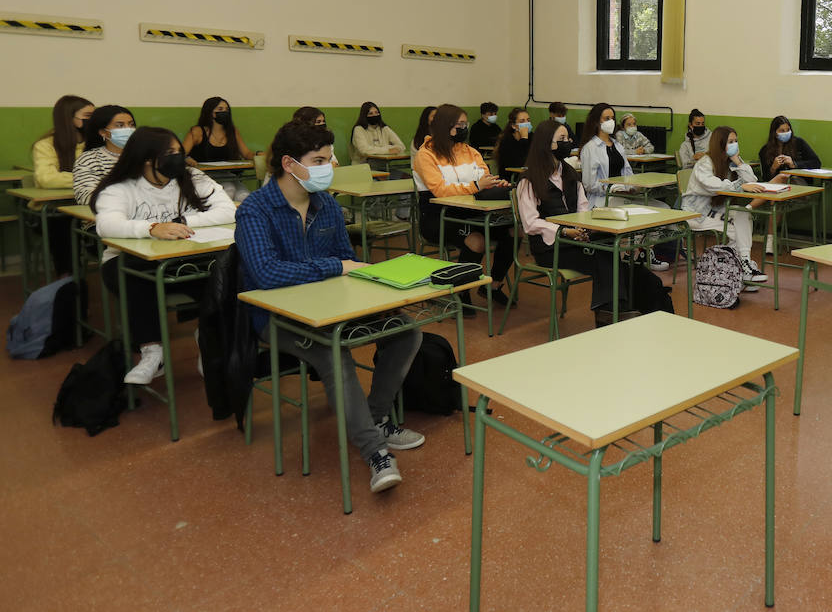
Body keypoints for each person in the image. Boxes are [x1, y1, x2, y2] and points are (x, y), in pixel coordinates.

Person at [235, 121, 423, 494]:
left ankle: (374, 418)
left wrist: (375, 297)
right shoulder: (256, 209)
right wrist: (334, 268)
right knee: (332, 352)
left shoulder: (328, 206)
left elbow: (347, 260)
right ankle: (375, 451)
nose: (328, 167)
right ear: (289, 163)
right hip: (276, 318)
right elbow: (267, 273)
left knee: (406, 330)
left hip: (331, 308)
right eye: (319, 160)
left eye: (328, 158)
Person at [91, 127, 236, 384]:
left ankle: (208, 340)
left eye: (179, 151)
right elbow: (107, 225)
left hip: (184, 256)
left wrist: (184, 220)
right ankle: (152, 352)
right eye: (170, 153)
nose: (179, 158)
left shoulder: (191, 176)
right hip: (129, 260)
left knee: (221, 274)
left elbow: (228, 210)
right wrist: (151, 228)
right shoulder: (121, 187)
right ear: (147, 158)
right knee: (136, 279)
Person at [516, 119, 638, 324]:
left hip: (576, 239)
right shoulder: (529, 180)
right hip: (550, 248)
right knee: (604, 258)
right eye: (561, 139)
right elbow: (530, 223)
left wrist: (584, 228)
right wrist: (563, 231)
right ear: (546, 144)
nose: (567, 142)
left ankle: (611, 311)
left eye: (568, 138)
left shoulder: (570, 174)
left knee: (610, 248)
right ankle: (609, 312)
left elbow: (583, 208)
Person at [412, 104, 515, 303]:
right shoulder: (426, 154)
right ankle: (461, 292)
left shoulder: (470, 152)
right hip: (438, 216)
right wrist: (476, 185)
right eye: (459, 125)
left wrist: (494, 183)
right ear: (443, 126)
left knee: (514, 231)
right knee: (476, 241)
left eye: (465, 124)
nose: (464, 129)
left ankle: (493, 285)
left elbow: (484, 177)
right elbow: (440, 190)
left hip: (471, 213)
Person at [579, 103, 672, 271]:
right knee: (634, 216)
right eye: (606, 118)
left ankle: (641, 252)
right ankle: (634, 253)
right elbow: (589, 184)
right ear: (596, 122)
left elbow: (627, 173)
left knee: (663, 208)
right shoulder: (590, 148)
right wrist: (612, 188)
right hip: (602, 201)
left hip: (624, 196)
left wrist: (632, 186)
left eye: (612, 118)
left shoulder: (617, 145)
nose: (611, 122)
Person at [682, 126, 776, 288]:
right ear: (720, 143)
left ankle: (740, 266)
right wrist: (741, 187)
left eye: (736, 141)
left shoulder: (730, 162)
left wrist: (738, 162)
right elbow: (715, 186)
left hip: (716, 211)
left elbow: (751, 179)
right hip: (697, 214)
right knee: (737, 231)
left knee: (743, 214)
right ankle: (740, 268)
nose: (735, 145)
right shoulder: (705, 163)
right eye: (730, 142)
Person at [74, 105, 137, 205]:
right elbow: (86, 197)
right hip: (108, 215)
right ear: (103, 132)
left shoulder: (143, 156)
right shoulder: (90, 159)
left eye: (131, 125)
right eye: (120, 125)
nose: (128, 129)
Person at [33, 94, 93, 189]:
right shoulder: (45, 145)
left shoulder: (95, 141)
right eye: (88, 116)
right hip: (55, 201)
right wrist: (90, 178)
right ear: (68, 117)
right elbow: (47, 179)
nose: (93, 120)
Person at [183, 97, 253, 165]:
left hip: (229, 174)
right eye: (220, 109)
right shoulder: (197, 131)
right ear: (210, 112)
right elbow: (181, 154)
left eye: (227, 110)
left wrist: (259, 155)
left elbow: (246, 154)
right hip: (203, 174)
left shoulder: (232, 131)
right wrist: (187, 159)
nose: (225, 112)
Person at [757, 115, 822, 181]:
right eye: (782, 131)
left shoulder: (799, 143)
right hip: (777, 184)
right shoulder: (765, 150)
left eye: (788, 130)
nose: (786, 133)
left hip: (799, 181)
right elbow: (765, 178)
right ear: (774, 133)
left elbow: (816, 163)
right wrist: (773, 168)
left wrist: (794, 164)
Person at [494, 107, 533, 180]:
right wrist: (524, 139)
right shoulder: (506, 140)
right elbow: (519, 163)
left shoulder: (532, 137)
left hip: (528, 177)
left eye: (528, 120)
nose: (526, 124)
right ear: (514, 126)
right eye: (522, 121)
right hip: (509, 179)